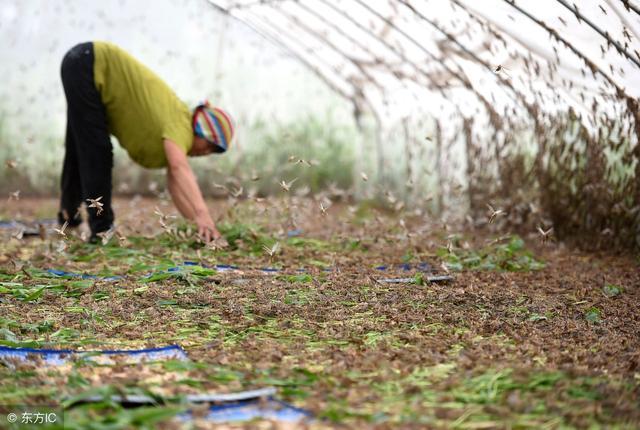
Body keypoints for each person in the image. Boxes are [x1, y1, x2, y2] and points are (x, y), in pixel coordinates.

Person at [58, 41, 233, 243]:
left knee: (78, 150)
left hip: (83, 63)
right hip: (89, 63)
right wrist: (204, 214)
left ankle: (68, 220)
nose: (206, 153)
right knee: (97, 152)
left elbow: (175, 183)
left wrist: (196, 225)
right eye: (210, 146)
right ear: (202, 130)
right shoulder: (181, 125)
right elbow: (179, 167)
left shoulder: (177, 127)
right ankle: (102, 231)